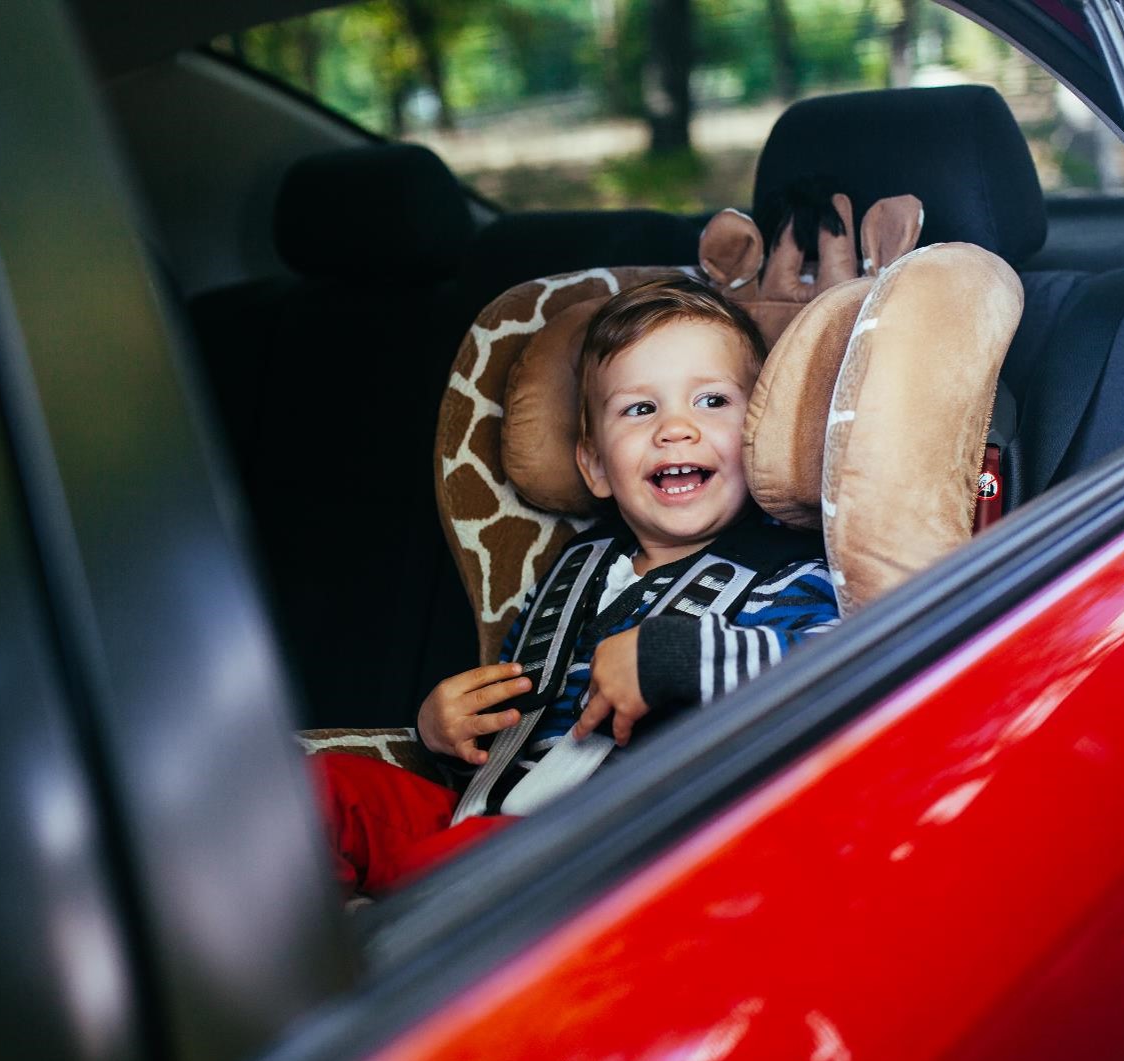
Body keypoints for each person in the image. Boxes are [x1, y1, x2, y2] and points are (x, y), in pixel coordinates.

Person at [310, 277, 840, 894]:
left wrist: (676, 656)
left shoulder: (792, 573)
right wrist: (446, 731)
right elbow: (517, 716)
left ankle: (399, 936)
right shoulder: (575, 567)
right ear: (593, 465)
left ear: (760, 437)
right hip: (485, 821)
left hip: (626, 861)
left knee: (462, 863)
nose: (675, 429)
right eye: (640, 409)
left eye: (712, 401)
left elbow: (832, 673)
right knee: (320, 791)